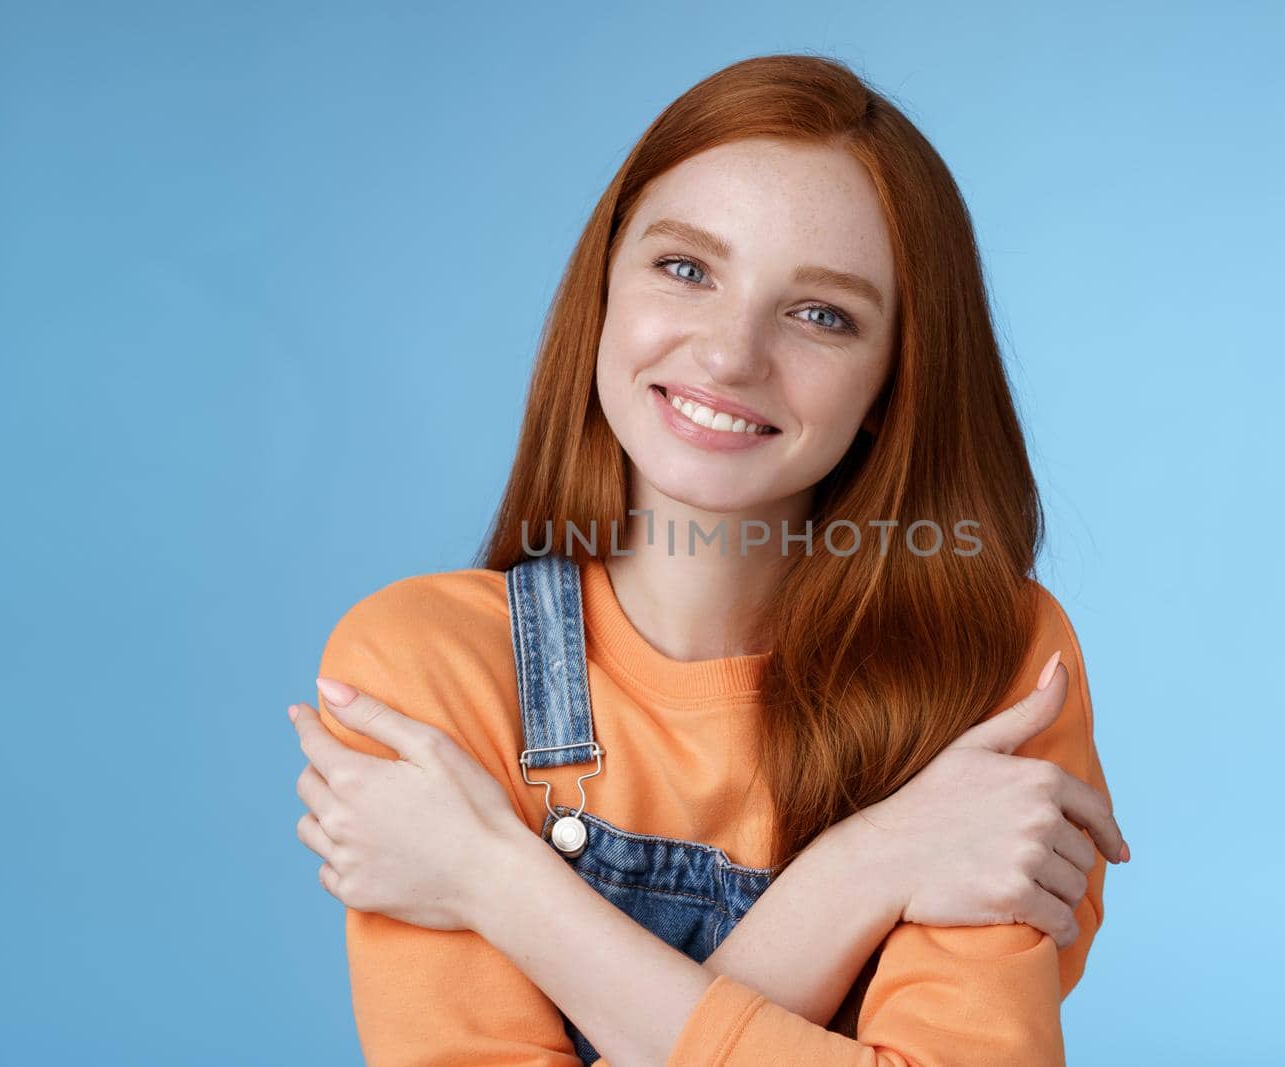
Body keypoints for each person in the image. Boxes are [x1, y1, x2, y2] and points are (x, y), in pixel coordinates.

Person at [291, 53, 1128, 1065]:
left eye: (822, 314)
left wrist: (489, 877)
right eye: (685, 268)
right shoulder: (429, 665)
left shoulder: (994, 661)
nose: (732, 353)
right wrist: (867, 872)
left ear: (891, 387)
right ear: (603, 284)